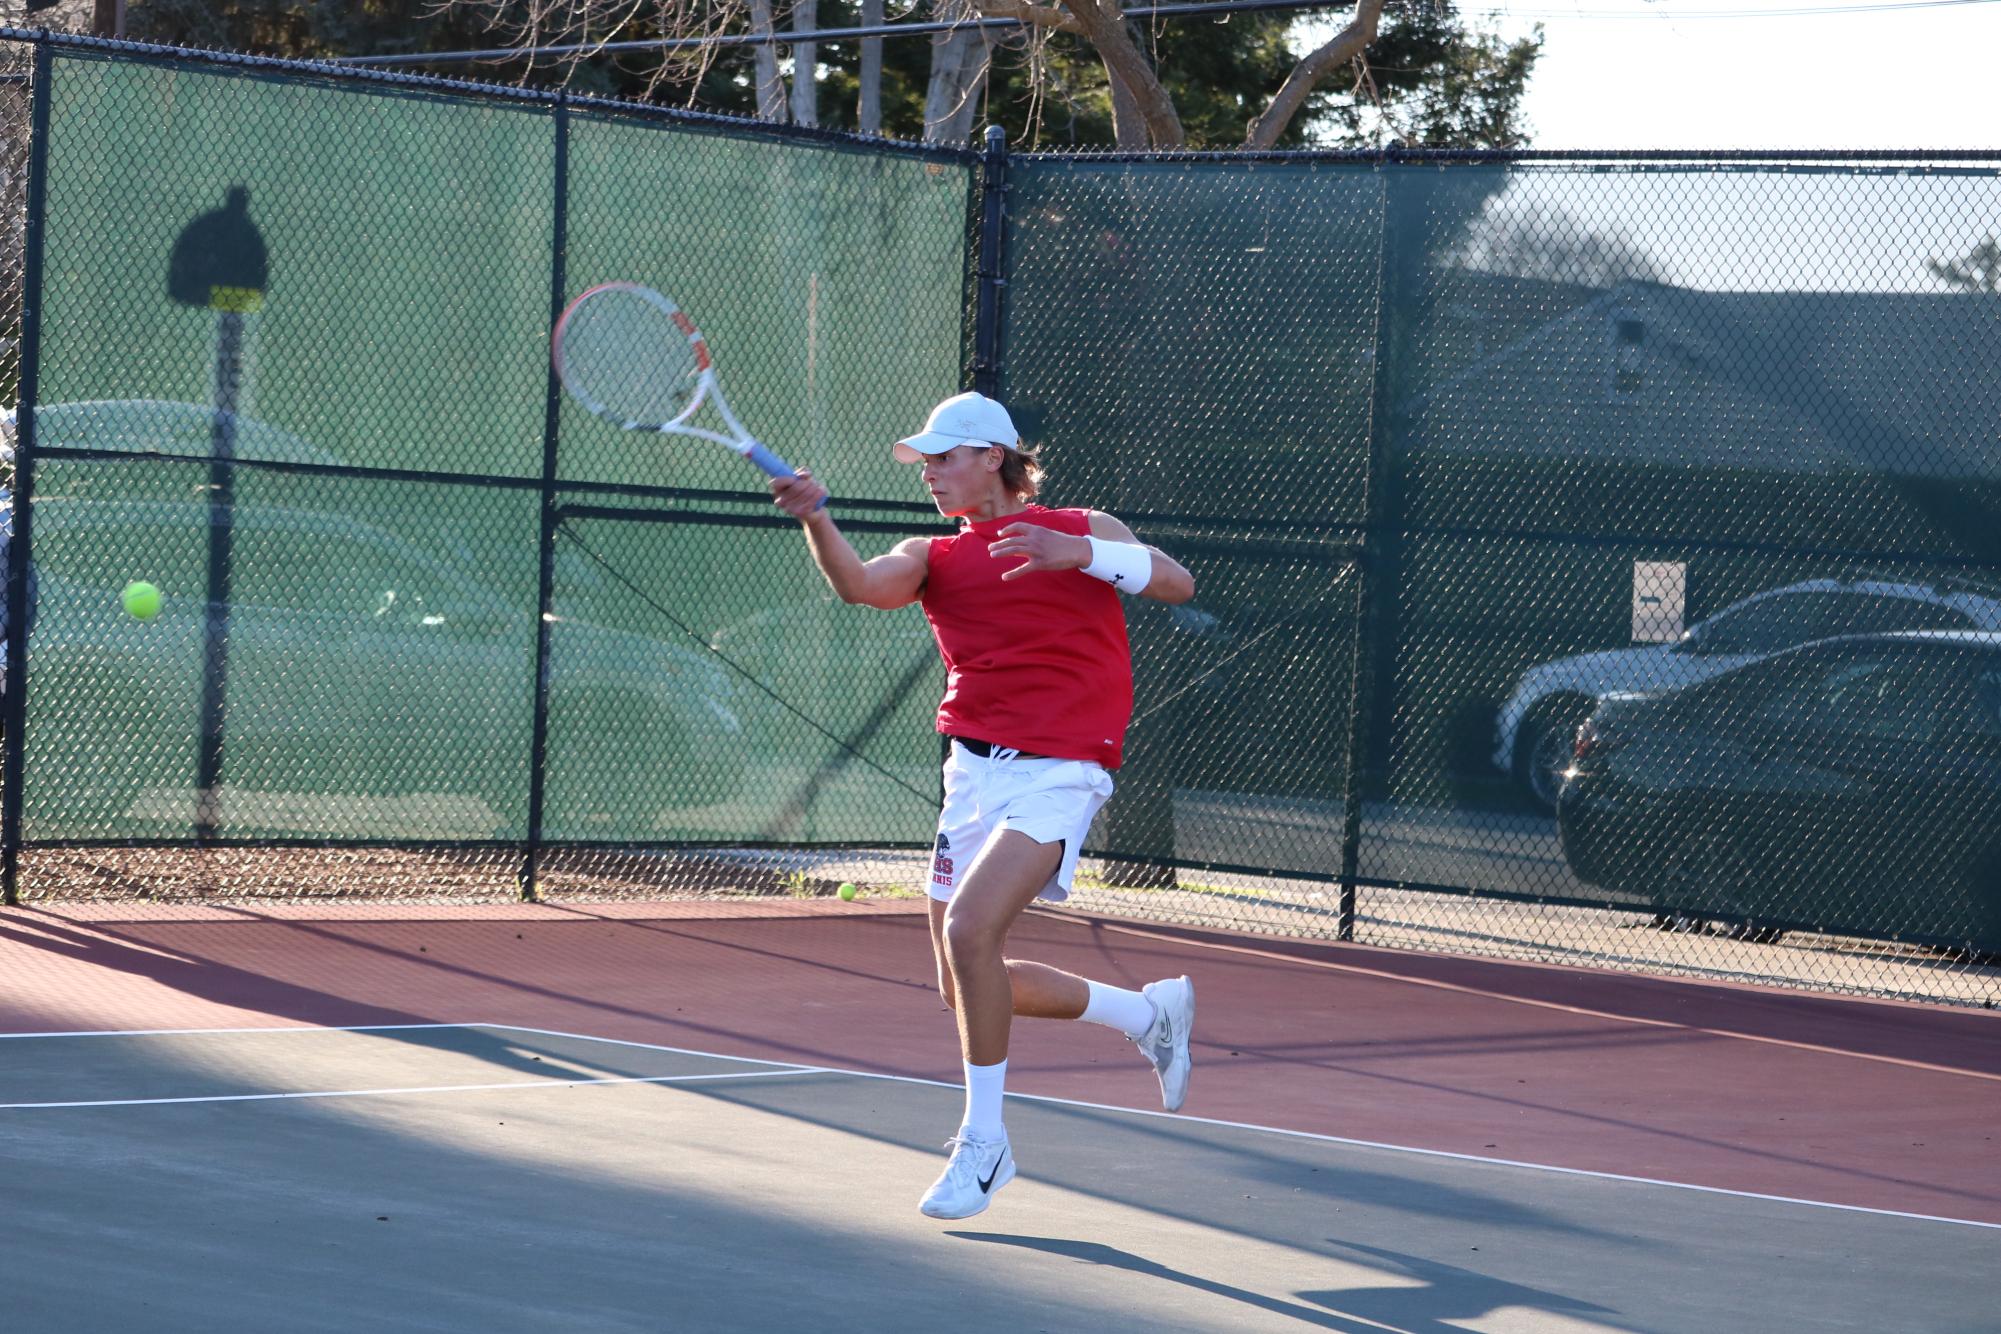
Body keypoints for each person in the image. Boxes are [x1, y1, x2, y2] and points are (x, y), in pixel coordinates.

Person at [770, 390, 1199, 1221]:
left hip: (1061, 774)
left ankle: (985, 1144)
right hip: (972, 779)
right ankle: (1146, 1014)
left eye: (943, 457)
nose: (929, 473)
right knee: (959, 985)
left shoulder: (1084, 526)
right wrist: (815, 518)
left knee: (972, 932)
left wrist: (1079, 554)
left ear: (992, 457)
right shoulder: (931, 555)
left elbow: (1177, 584)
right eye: (924, 461)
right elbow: (861, 586)